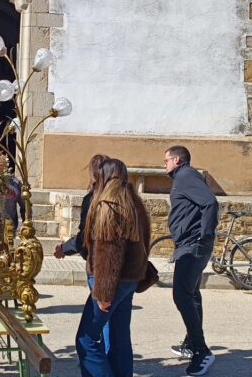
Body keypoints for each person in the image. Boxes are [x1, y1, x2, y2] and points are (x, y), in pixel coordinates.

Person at [75, 158, 151, 377]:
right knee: (119, 338)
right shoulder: (134, 202)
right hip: (129, 280)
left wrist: (103, 292)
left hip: (112, 283)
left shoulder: (109, 205)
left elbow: (109, 253)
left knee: (86, 340)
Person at [165, 145, 219, 376]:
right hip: (190, 244)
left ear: (177, 160)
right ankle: (191, 343)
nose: (164, 164)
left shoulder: (186, 176)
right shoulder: (184, 176)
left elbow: (210, 202)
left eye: (166, 160)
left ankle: (201, 351)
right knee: (192, 294)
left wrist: (204, 234)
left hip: (193, 245)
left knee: (182, 294)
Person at [55, 154, 109, 260]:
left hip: (99, 265)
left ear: (93, 174)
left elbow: (85, 236)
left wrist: (64, 248)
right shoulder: (126, 199)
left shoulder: (92, 200)